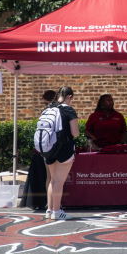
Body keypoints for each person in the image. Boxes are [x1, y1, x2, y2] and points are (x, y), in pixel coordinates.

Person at [45, 86, 79, 221]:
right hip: (64, 149)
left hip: (49, 148)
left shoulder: (49, 108)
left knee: (53, 180)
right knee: (59, 180)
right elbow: (75, 133)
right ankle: (57, 211)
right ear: (69, 96)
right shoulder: (68, 110)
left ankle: (49, 210)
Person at [41, 90, 57, 198]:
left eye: (46, 103)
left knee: (50, 176)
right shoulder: (58, 111)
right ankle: (54, 204)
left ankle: (49, 203)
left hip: (46, 146)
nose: (46, 106)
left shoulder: (44, 112)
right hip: (55, 146)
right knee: (54, 177)